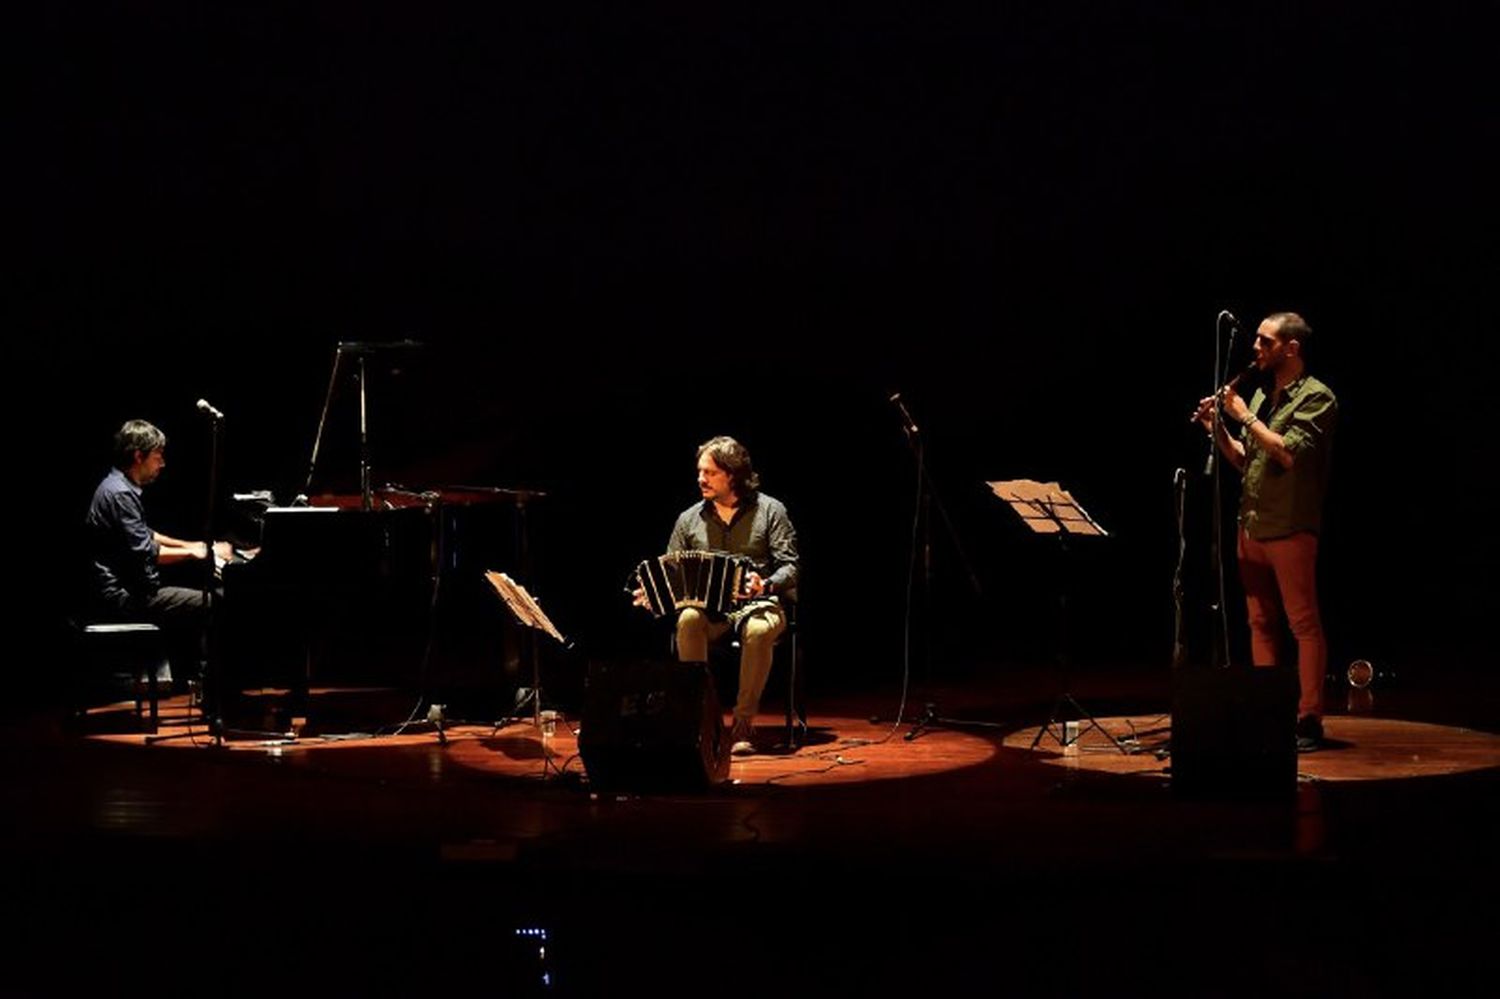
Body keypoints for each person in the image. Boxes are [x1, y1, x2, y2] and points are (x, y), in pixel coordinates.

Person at [1195, 313, 1338, 751]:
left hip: (1290, 527)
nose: (1256, 348)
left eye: (1265, 341)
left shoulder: (1318, 397)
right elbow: (1246, 459)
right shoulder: (1260, 396)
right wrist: (1217, 429)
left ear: (1290, 348)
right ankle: (1268, 711)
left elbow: (1287, 454)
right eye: (1257, 340)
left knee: (1302, 623)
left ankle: (1309, 718)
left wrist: (1241, 416)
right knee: (1259, 622)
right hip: (1252, 525)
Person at [636, 436, 800, 756]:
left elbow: (791, 567)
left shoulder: (770, 511)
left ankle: (743, 723)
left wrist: (764, 585)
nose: (701, 479)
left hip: (758, 603)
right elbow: (672, 571)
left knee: (758, 629)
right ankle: (701, 718)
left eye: (709, 472)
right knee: (687, 619)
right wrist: (655, 594)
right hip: (711, 611)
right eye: (699, 472)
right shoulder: (689, 519)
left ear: (733, 474)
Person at [84, 419, 231, 682]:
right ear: (138, 456)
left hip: (130, 587)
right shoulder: (120, 495)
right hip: (125, 597)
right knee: (216, 602)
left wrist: (195, 545)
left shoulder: (118, 487)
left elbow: (147, 535)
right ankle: (212, 686)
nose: (162, 464)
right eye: (158, 456)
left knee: (202, 590)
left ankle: (194, 678)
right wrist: (194, 554)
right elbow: (144, 553)